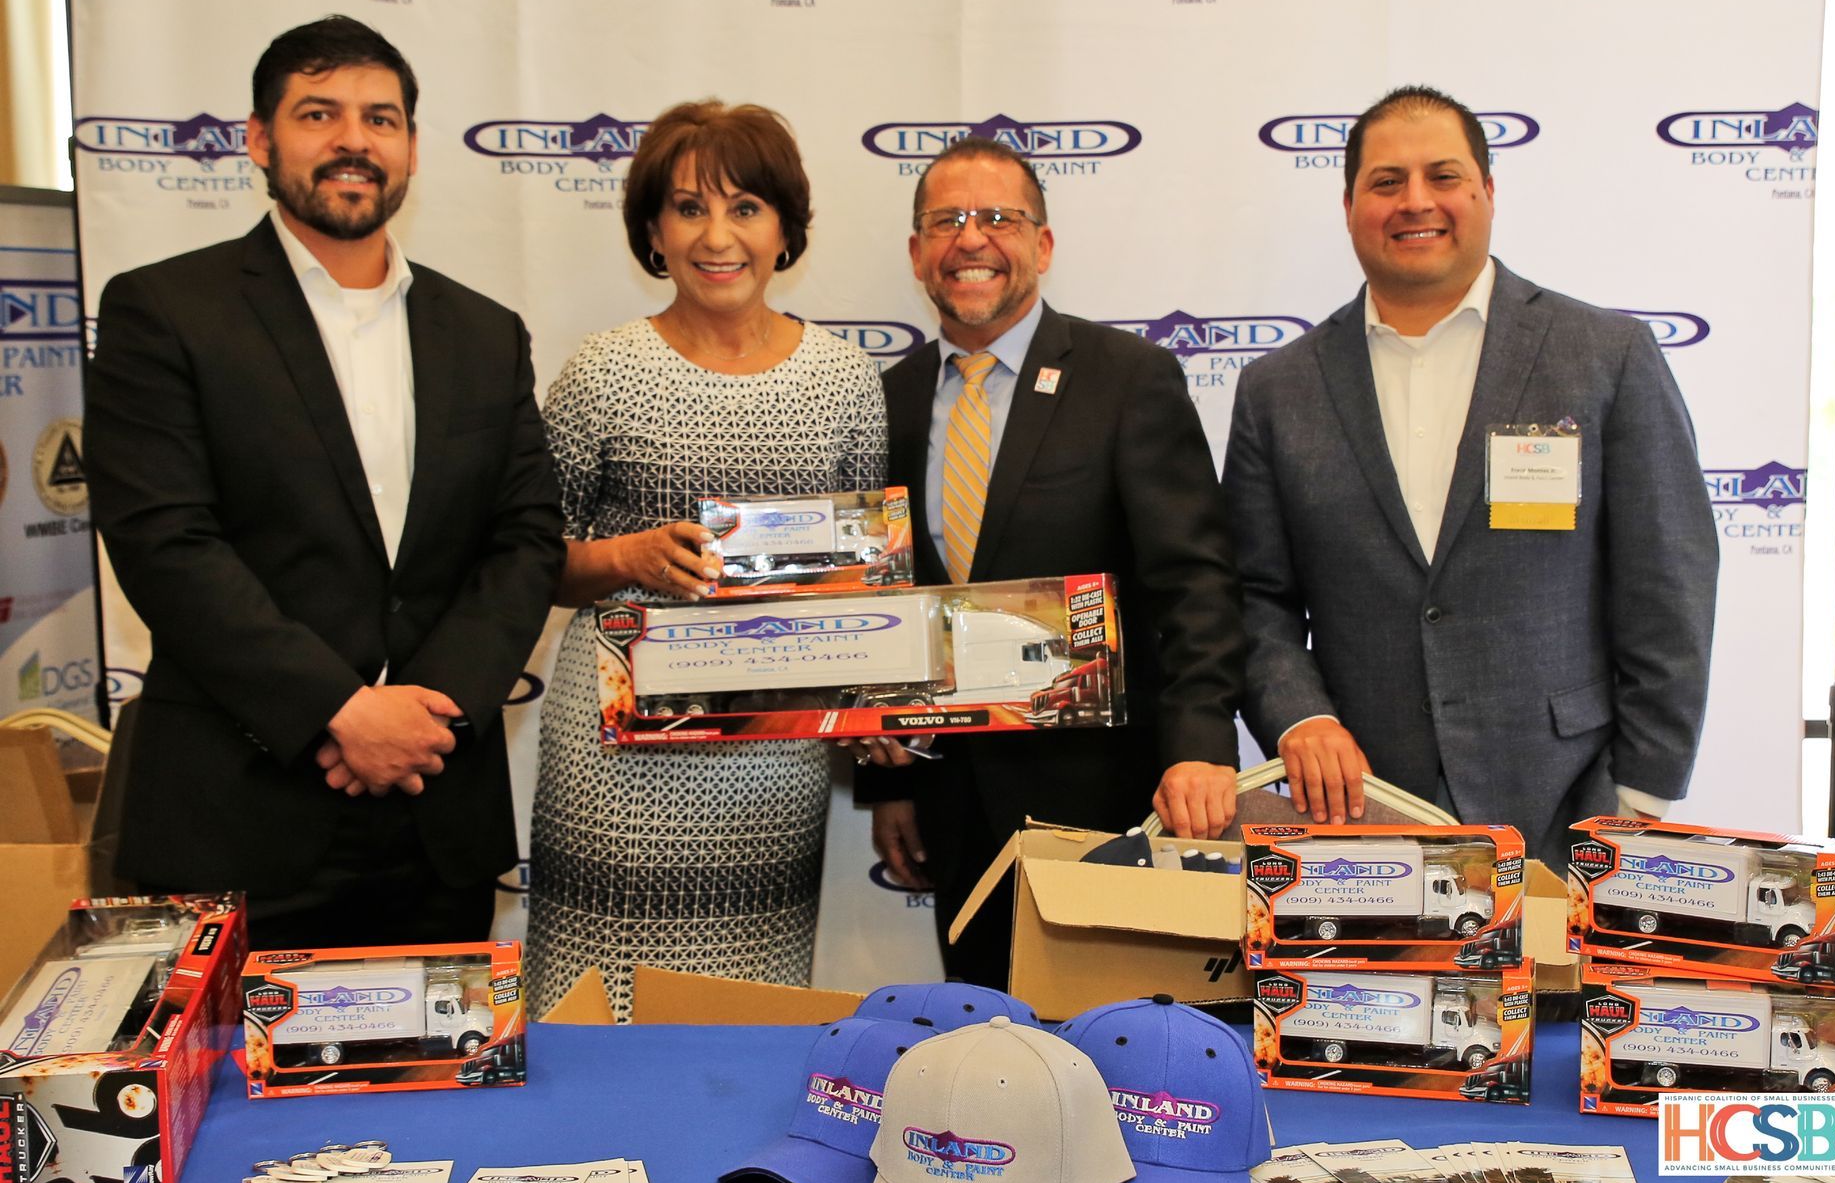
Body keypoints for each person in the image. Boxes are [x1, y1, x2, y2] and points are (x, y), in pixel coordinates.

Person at [85, 16, 565, 947]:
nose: (354, 139)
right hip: (239, 819)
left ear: (413, 148)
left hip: (437, 821)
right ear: (260, 139)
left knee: (436, 1095)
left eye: (381, 118)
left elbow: (526, 537)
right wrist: (341, 713)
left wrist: (428, 717)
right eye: (319, 113)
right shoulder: (164, 311)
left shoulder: (483, 331)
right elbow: (166, 544)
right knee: (228, 1096)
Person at [1223, 85, 1718, 868]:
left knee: (1556, 1002)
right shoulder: (1277, 390)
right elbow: (1257, 599)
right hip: (1360, 821)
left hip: (1571, 812)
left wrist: (1642, 796)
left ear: (1487, 191)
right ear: (1349, 203)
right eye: (1386, 182)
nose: (1415, 201)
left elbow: (1669, 581)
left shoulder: (1605, 356)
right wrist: (1299, 721)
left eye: (1443, 176)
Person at [525, 100, 885, 1019]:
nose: (717, 237)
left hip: (772, 757)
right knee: (594, 1010)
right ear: (653, 230)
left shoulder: (844, 380)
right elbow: (528, 562)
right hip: (618, 750)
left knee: (749, 1011)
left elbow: (869, 581)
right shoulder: (601, 372)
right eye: (688, 209)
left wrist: (884, 699)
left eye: (745, 209)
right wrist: (626, 554)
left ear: (785, 229)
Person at [858, 137, 1244, 989]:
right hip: (950, 806)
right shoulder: (885, 400)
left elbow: (1193, 582)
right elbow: (879, 604)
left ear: (1044, 243)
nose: (971, 239)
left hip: (1106, 801)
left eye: (999, 217)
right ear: (917, 251)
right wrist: (883, 778)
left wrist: (1202, 747)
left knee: (1119, 1049)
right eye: (946, 221)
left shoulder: (1127, 379)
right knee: (981, 1050)